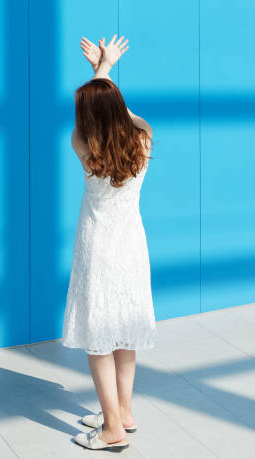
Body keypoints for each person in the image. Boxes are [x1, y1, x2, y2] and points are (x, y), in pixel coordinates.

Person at [61, 34, 156, 451]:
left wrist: (101, 70)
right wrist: (106, 70)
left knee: (99, 336)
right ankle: (124, 411)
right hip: (132, 247)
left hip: (98, 249)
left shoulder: (83, 148)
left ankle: (112, 428)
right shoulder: (144, 139)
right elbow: (121, 113)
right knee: (125, 333)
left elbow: (95, 116)